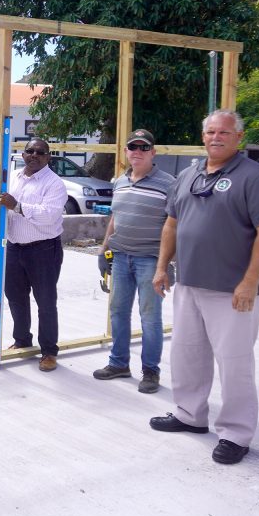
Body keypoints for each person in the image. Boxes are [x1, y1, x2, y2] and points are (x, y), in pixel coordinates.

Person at [150, 110, 259, 465]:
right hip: (189, 283)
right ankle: (190, 415)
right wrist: (163, 267)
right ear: (203, 136)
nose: (216, 137)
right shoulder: (189, 174)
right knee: (187, 352)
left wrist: (250, 282)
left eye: (224, 132)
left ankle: (236, 432)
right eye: (210, 131)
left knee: (234, 362)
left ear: (238, 137)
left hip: (233, 289)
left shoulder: (254, 177)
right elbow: (172, 224)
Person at [93, 129, 175, 393]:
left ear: (153, 152)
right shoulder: (120, 181)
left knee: (150, 317)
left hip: (150, 260)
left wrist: (165, 265)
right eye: (132, 147)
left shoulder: (168, 184)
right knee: (117, 312)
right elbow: (115, 219)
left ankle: (150, 371)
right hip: (120, 258)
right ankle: (119, 364)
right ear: (126, 151)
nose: (137, 151)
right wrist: (104, 250)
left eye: (143, 147)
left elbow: (174, 226)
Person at [0, 138, 68, 371]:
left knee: (45, 301)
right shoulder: (14, 177)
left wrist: (16, 205)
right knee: (15, 296)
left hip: (43, 250)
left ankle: (48, 351)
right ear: (23, 154)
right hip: (15, 247)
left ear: (48, 157)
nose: (34, 155)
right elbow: (6, 205)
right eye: (30, 151)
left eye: (40, 152)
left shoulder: (54, 184)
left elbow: (49, 215)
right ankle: (22, 340)